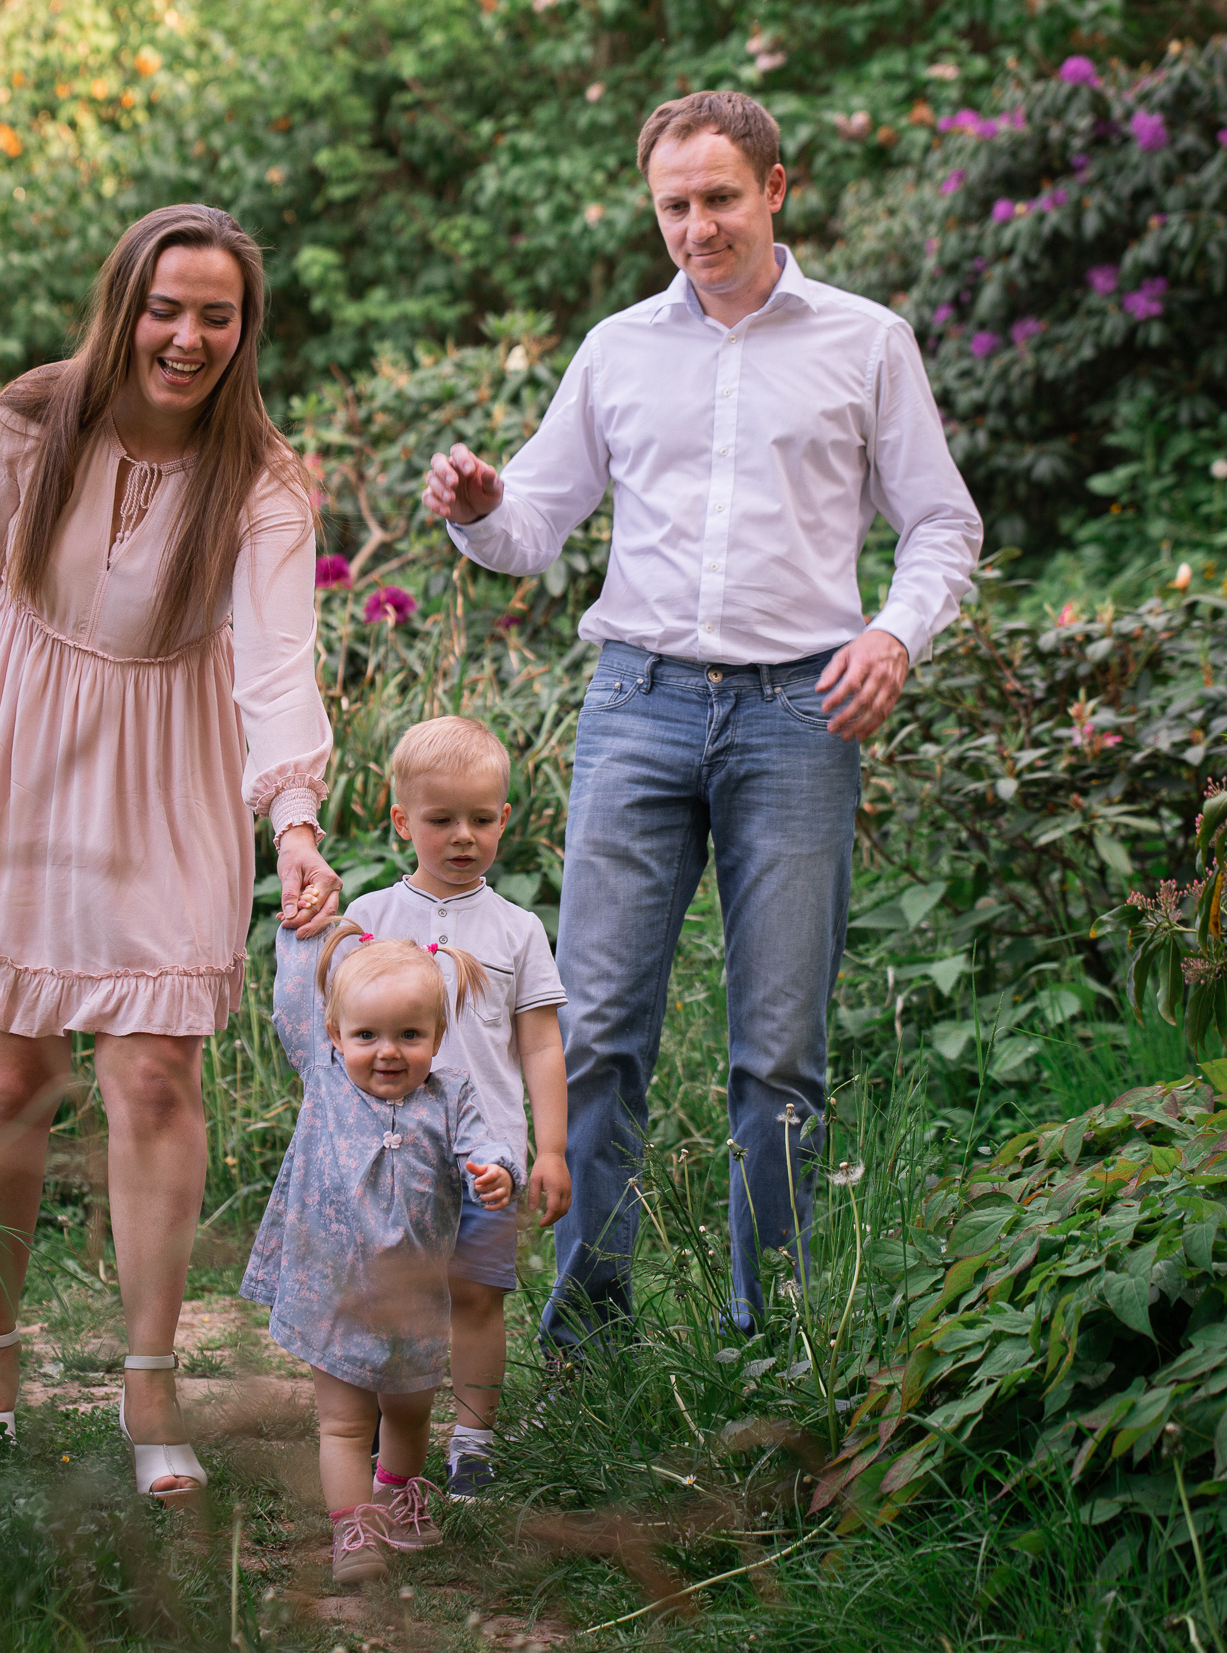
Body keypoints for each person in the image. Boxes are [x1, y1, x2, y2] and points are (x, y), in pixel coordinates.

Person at [421, 91, 982, 1345]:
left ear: (775, 188)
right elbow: (528, 531)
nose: (694, 227)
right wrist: (472, 504)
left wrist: (893, 632)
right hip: (639, 705)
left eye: (718, 198)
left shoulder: (866, 340)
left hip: (800, 715)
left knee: (776, 1050)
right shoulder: (617, 349)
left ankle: (768, 1332)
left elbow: (941, 521)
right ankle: (588, 1324)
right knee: (598, 1031)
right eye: (672, 205)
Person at [0, 204, 344, 1505]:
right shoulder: (33, 424)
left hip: (169, 759)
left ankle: (148, 1383)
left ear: (245, 328)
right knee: (4, 1083)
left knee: (156, 1076)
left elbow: (280, 665)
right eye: (167, 308)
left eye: (216, 315)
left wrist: (294, 823)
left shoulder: (267, 480)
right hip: (14, 744)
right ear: (127, 307)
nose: (187, 336)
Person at [242, 918, 522, 1584]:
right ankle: (354, 1525)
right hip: (332, 1290)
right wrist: (306, 923)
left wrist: (494, 1169)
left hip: (415, 1294)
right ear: (336, 1037)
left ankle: (398, 1491)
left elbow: (483, 1144)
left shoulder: (449, 1096)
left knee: (409, 1407)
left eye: (410, 1035)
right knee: (343, 1421)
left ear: (438, 1038)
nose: (388, 1052)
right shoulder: (327, 1080)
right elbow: (293, 999)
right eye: (367, 1035)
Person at [342, 716, 569, 1499]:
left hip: (488, 1159)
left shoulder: (518, 929)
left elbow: (539, 1045)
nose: (463, 835)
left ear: (506, 817)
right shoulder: (370, 919)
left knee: (476, 1295)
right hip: (388, 1152)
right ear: (402, 819)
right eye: (442, 819)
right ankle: (380, 1429)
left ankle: (473, 1441)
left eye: (481, 817)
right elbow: (335, 1035)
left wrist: (549, 1148)